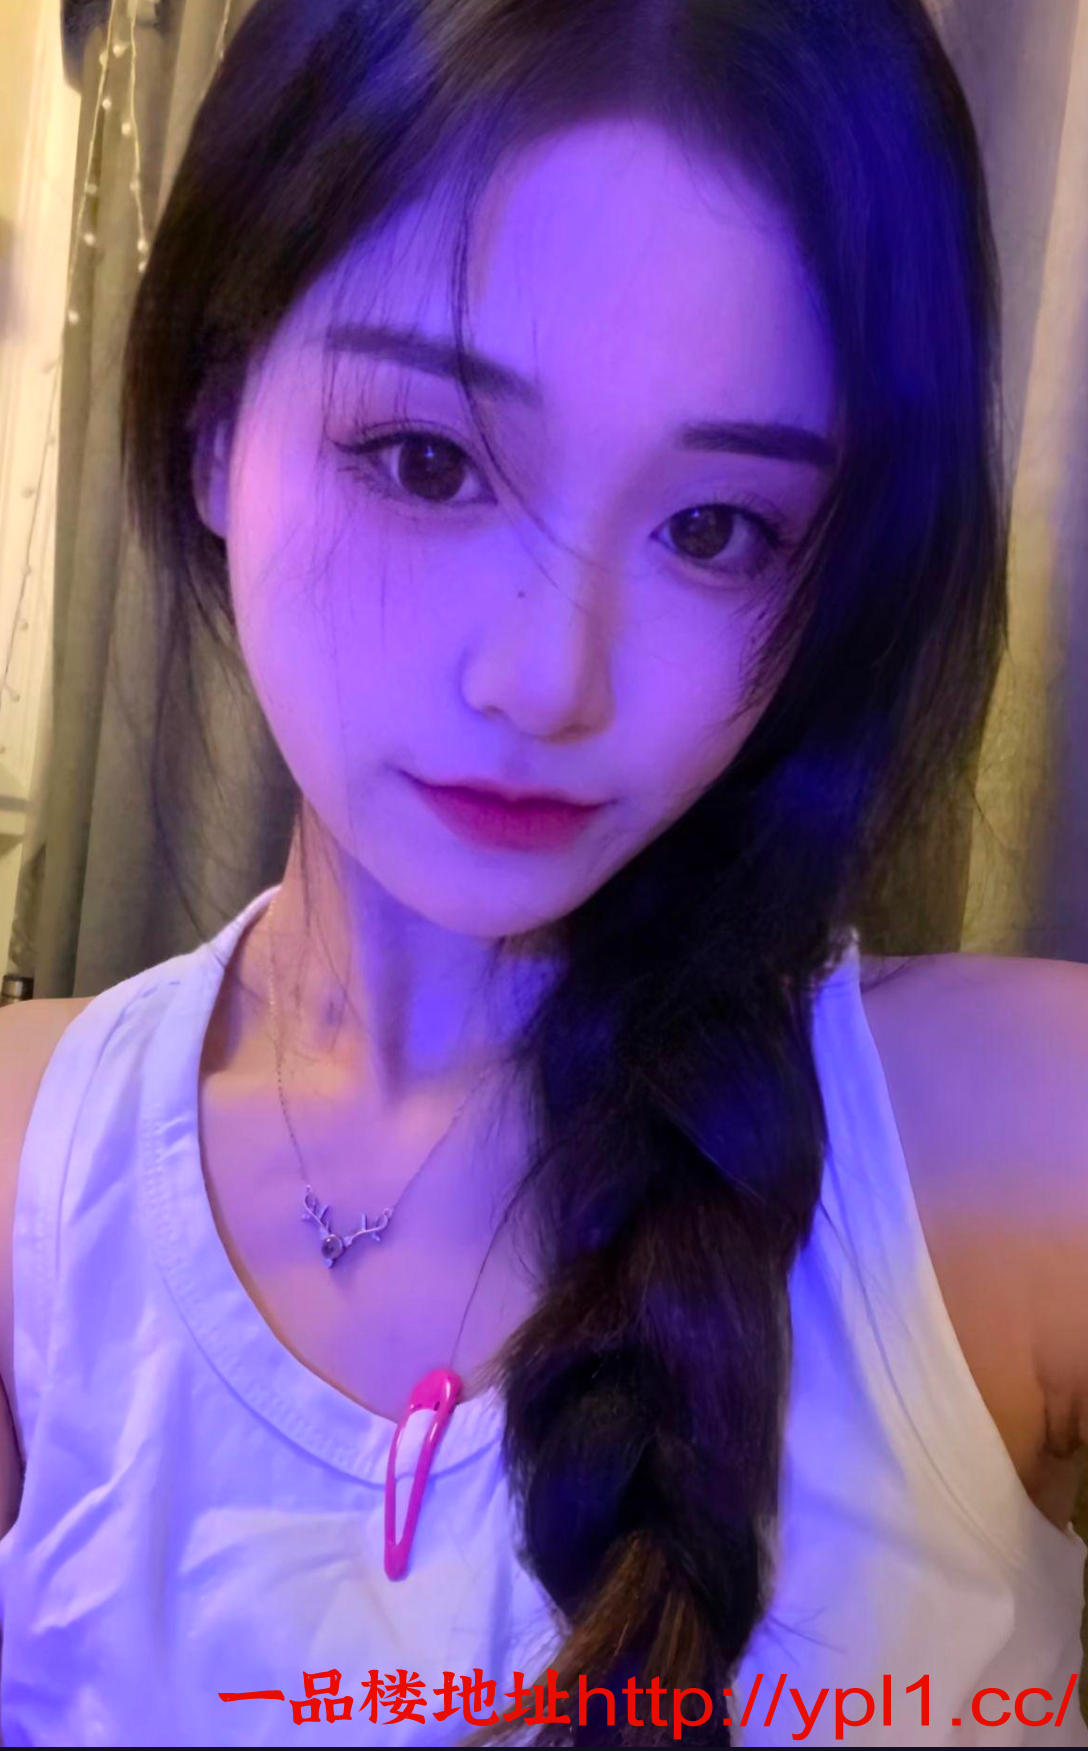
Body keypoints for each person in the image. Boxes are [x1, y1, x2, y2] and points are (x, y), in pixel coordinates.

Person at [0, 0, 1085, 1744]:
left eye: (714, 529)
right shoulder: (32, 1171)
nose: (545, 681)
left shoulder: (1020, 1141)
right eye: (426, 460)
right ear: (213, 424)